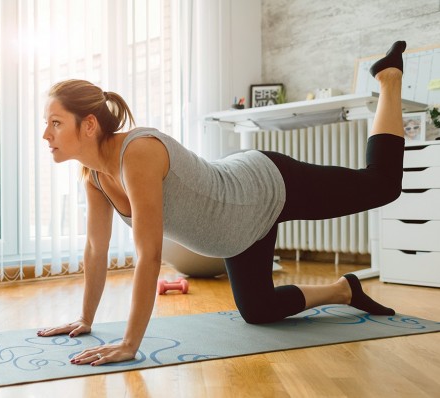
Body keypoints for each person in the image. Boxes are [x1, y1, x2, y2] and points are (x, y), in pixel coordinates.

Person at [37, 41, 407, 366]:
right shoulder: (95, 176)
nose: (46, 134)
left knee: (382, 185)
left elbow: (148, 256)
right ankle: (345, 289)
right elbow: (94, 250)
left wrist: (131, 343)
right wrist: (85, 319)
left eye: (55, 122)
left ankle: (388, 79)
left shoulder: (138, 152)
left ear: (87, 125)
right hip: (236, 232)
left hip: (263, 187)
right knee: (258, 310)